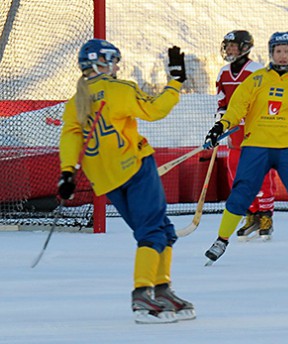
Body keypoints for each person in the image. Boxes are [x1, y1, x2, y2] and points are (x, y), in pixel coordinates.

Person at [58, 39, 195, 324]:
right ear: (100, 63)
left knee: (162, 231)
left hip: (107, 180)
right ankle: (143, 294)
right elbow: (155, 111)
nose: (117, 66)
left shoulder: (75, 102)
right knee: (154, 232)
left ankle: (162, 289)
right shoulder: (119, 89)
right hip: (135, 168)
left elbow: (70, 136)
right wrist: (175, 83)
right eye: (113, 61)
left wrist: (68, 172)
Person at [203, 31, 288, 266]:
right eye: (279, 51)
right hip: (257, 145)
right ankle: (221, 241)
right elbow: (236, 109)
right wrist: (220, 127)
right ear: (271, 53)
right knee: (241, 192)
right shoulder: (257, 79)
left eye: (287, 51)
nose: (283, 56)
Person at [215, 30, 277, 241]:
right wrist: (221, 123)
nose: (229, 49)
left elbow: (266, 101)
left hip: (255, 132)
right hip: (234, 134)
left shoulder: (257, 71)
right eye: (227, 45)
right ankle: (251, 213)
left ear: (244, 47)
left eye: (233, 45)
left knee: (260, 174)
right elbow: (222, 103)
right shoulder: (223, 73)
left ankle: (265, 214)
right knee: (236, 174)